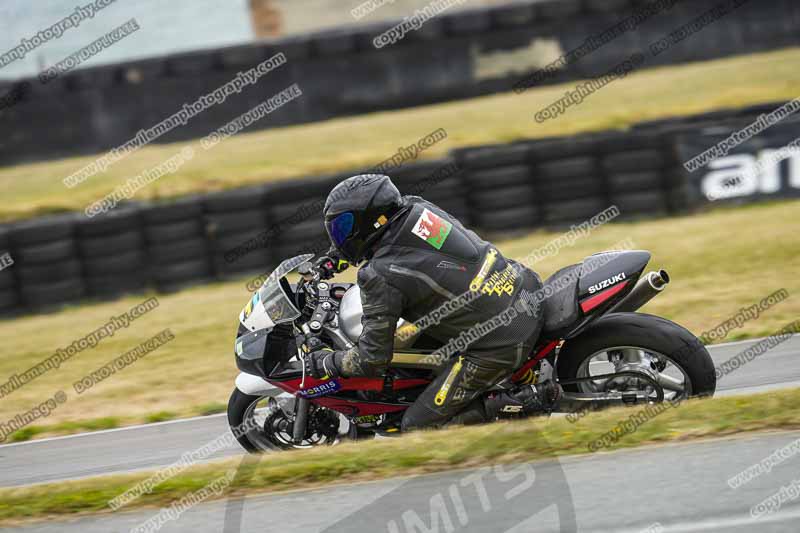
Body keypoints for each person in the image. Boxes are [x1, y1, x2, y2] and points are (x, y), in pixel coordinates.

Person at [302, 174, 557, 431]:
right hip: (521, 286)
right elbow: (376, 242)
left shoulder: (379, 275)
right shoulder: (418, 209)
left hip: (501, 339)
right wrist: (334, 259)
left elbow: (371, 360)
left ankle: (531, 400)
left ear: (371, 219)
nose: (341, 235)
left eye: (344, 226)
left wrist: (327, 361)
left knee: (416, 428)